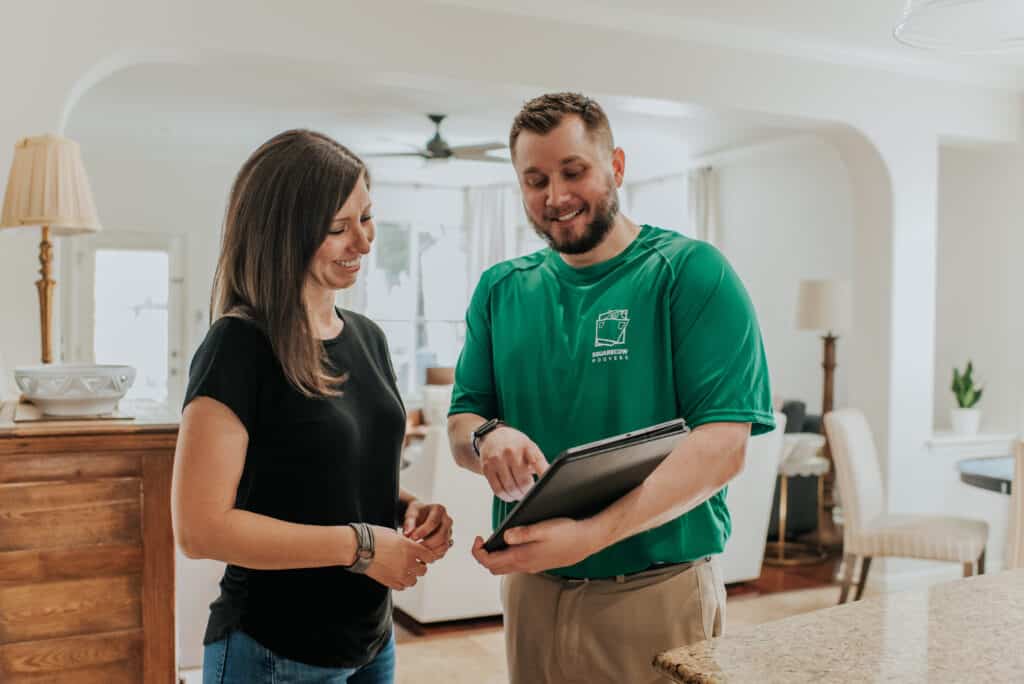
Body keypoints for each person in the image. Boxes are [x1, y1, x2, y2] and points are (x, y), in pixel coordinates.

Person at [447, 93, 774, 684]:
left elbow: (724, 448)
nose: (556, 197)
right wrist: (488, 439)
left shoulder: (690, 272)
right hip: (531, 590)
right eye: (536, 180)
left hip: (656, 591)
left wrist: (591, 536)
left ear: (616, 166)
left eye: (574, 171)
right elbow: (461, 424)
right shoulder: (500, 289)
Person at [172, 129, 453, 684]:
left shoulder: (368, 337)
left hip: (371, 639)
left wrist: (406, 509)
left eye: (367, 218)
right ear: (283, 235)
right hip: (274, 648)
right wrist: (364, 545)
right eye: (337, 228)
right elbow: (200, 529)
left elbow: (327, 480)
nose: (364, 243)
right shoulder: (238, 345)